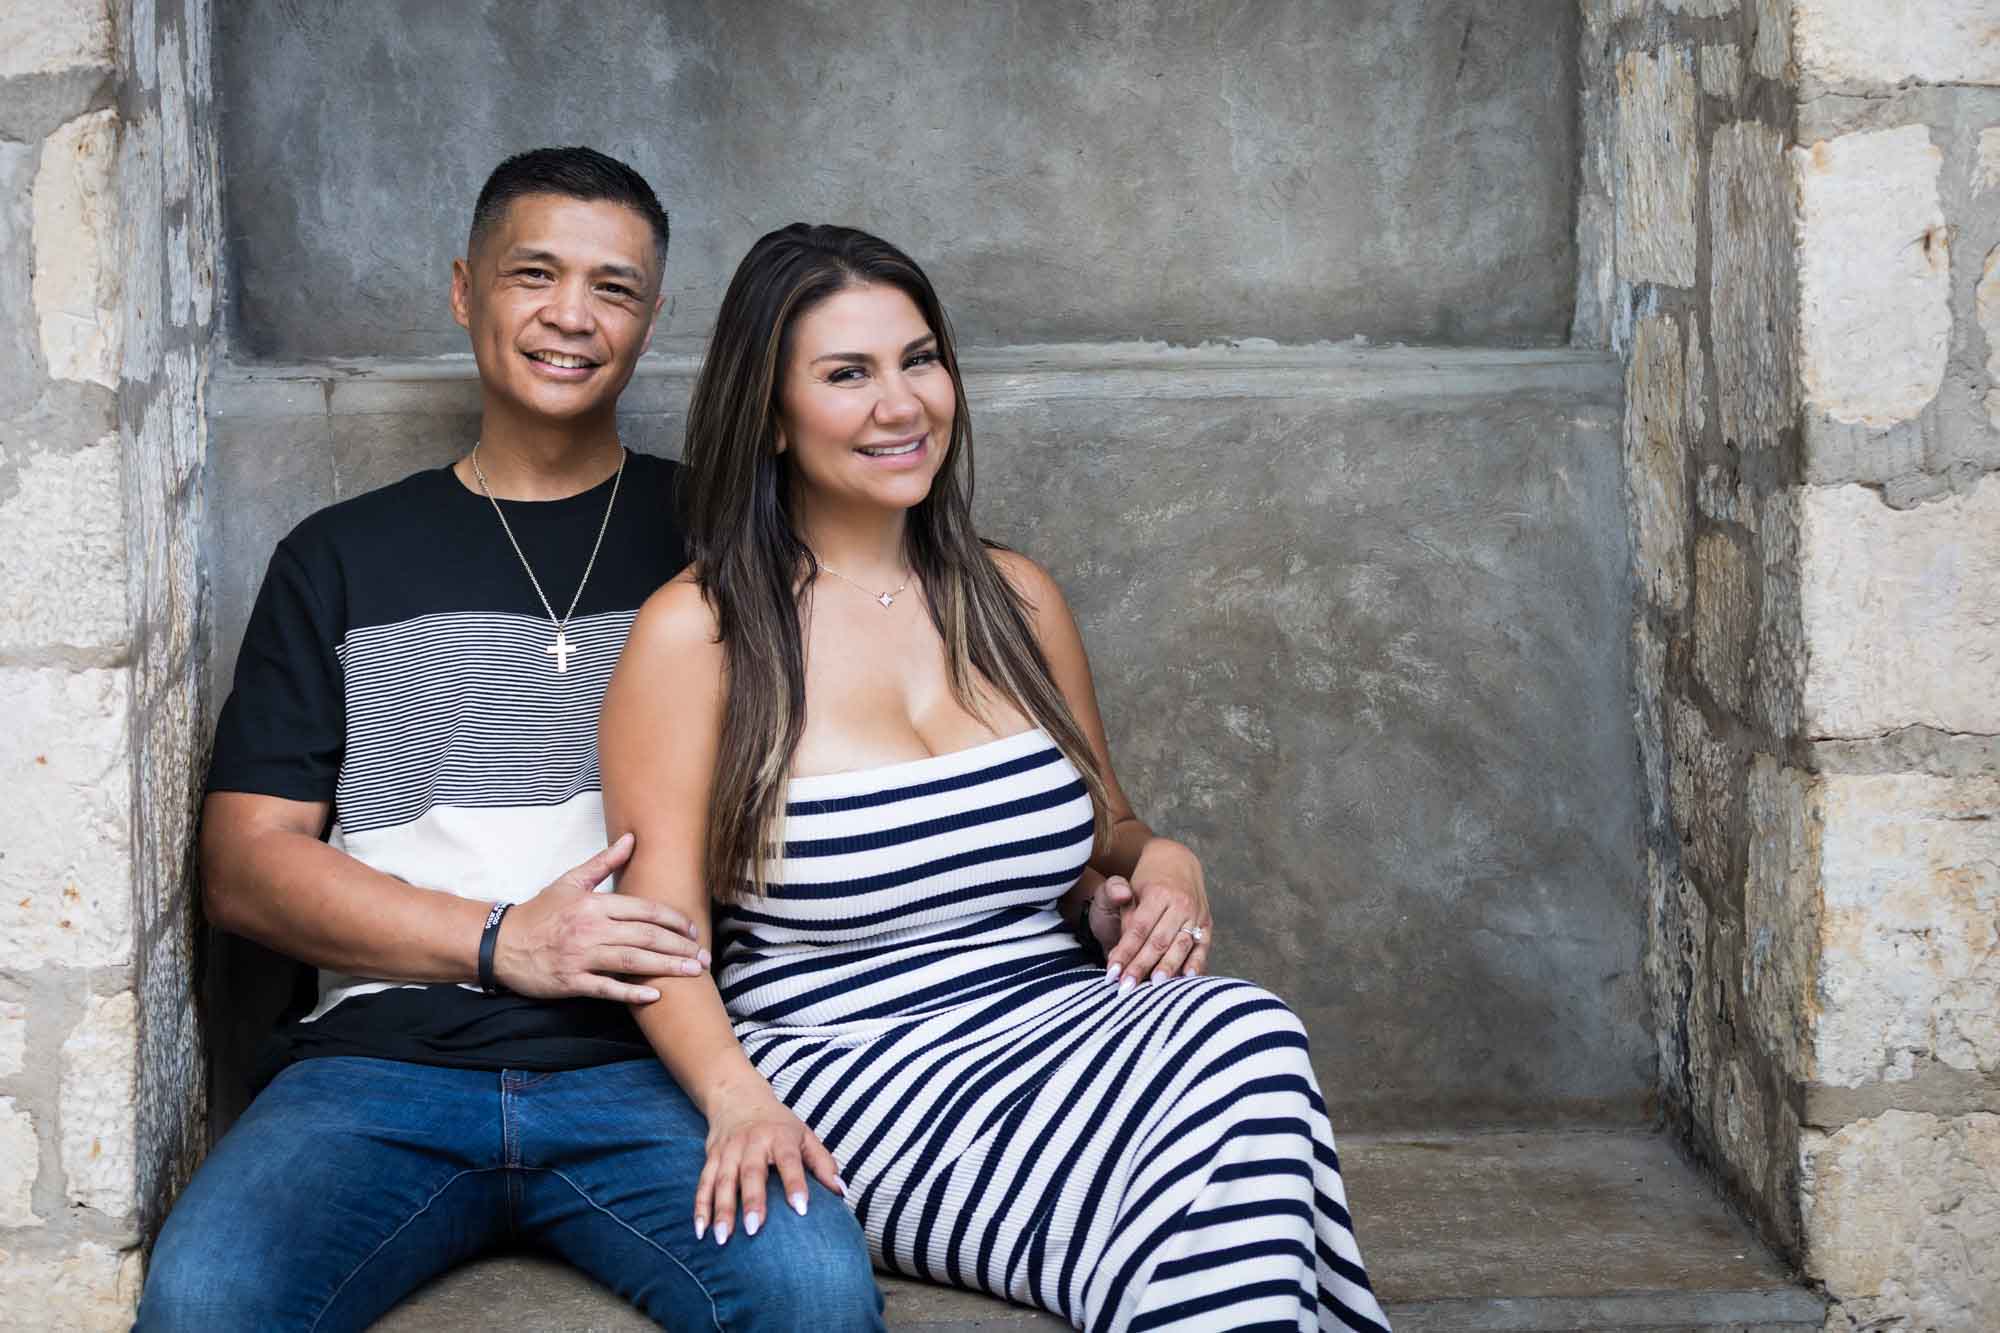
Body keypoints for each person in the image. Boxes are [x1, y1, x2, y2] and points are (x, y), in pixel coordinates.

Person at [139, 151, 882, 1332]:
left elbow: (911, 744)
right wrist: (499, 941)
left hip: (653, 1063)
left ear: (653, 317)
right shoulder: (339, 557)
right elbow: (244, 866)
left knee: (813, 1294)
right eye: (533, 273)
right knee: (205, 1300)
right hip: (378, 1067)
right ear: (462, 289)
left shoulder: (732, 541)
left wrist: (1122, 848)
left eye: (614, 287)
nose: (571, 316)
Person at [599, 224, 1391, 1333]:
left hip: (1061, 1018)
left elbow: (1107, 828)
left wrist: (1163, 862)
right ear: (771, 416)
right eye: (846, 374)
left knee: (1245, 1028)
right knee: (1220, 1193)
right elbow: (658, 935)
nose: (900, 404)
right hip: (853, 1070)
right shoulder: (698, 633)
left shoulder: (1013, 597)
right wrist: (739, 1108)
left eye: (919, 359)